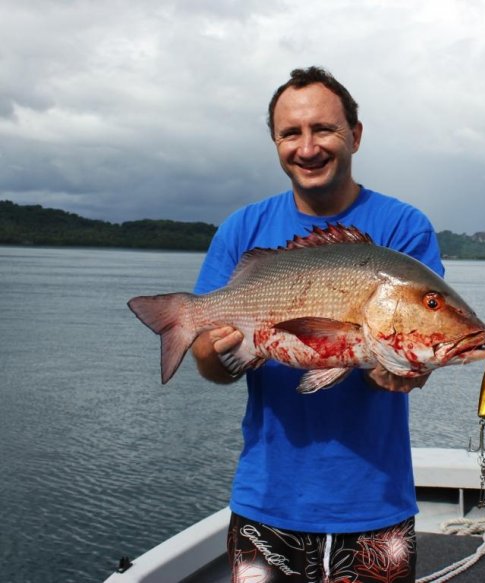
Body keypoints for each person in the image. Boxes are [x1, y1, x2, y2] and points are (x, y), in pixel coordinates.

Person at [191, 66, 444, 582]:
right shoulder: (244, 228)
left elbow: (416, 354)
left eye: (323, 129)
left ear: (355, 134)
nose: (307, 148)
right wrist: (218, 350)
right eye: (291, 133)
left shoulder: (403, 227)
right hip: (266, 502)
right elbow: (208, 363)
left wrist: (399, 369)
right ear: (276, 143)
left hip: (375, 504)